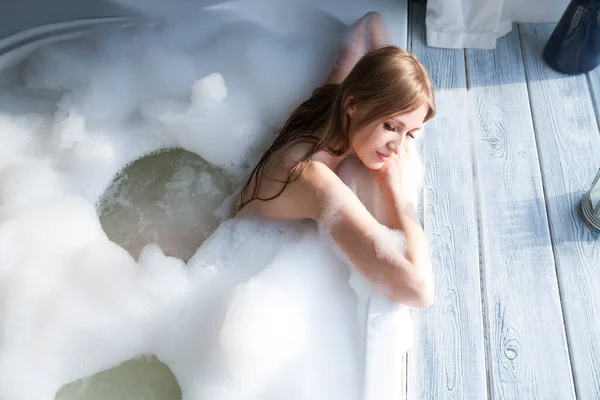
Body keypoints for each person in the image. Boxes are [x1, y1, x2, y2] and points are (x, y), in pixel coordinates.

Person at [236, 11, 436, 308]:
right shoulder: (314, 179)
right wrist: (398, 191)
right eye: (391, 126)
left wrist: (400, 81)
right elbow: (419, 292)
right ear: (353, 105)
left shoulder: (333, 99)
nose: (398, 148)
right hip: (237, 254)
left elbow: (370, 23)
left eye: (410, 134)